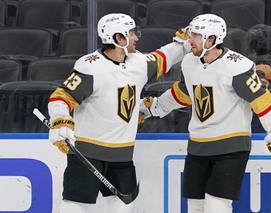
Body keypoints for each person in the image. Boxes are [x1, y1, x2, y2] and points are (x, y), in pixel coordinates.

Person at [140, 14, 271, 213]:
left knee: (217, 207)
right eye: (191, 35)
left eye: (196, 36)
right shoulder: (189, 63)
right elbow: (185, 93)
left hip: (230, 148)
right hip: (197, 146)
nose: (190, 40)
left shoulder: (237, 66)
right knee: (195, 207)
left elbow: (263, 101)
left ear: (212, 39)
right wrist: (153, 107)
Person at [47, 13, 188, 213]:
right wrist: (60, 121)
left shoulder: (138, 62)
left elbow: (163, 58)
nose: (136, 37)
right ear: (118, 38)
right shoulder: (90, 66)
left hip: (122, 156)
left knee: (125, 207)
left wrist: (184, 44)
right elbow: (61, 96)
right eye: (131, 33)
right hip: (87, 154)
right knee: (74, 207)